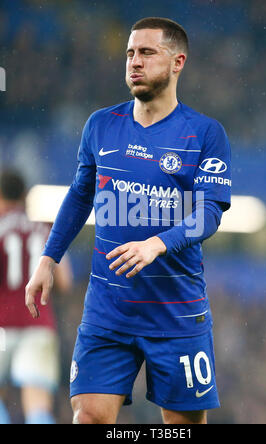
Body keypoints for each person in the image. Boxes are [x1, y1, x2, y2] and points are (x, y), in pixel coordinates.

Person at [25, 17, 231, 425]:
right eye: (130, 53)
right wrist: (49, 258)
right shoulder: (100, 125)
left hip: (177, 313)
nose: (134, 62)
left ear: (177, 62)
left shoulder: (206, 133)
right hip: (108, 310)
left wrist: (158, 243)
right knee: (89, 416)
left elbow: (209, 213)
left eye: (147, 53)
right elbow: (81, 195)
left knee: (183, 425)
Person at [0, 169, 73, 424]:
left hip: (1, 329)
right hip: (38, 326)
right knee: (37, 407)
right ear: (23, 195)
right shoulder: (45, 228)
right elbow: (65, 282)